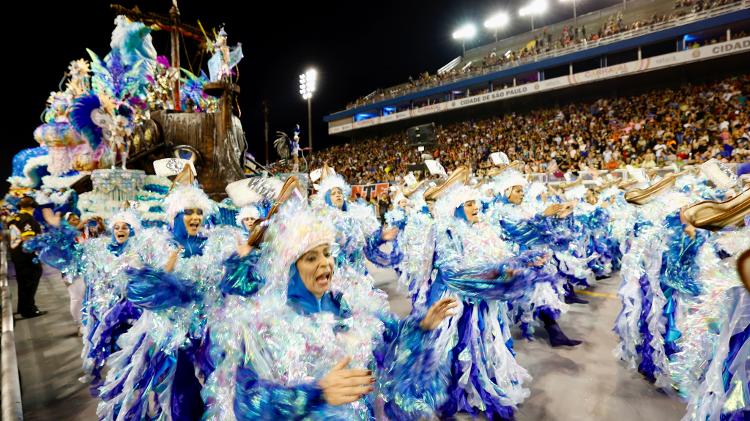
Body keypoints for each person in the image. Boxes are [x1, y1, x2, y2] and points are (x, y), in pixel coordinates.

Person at [7, 196, 46, 318]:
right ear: (32, 206)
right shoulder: (27, 219)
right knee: (30, 282)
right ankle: (29, 309)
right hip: (27, 256)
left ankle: (23, 307)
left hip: (17, 255)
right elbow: (28, 238)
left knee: (23, 283)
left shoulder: (14, 218)